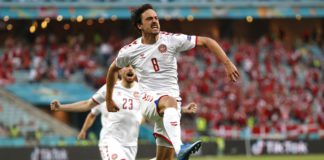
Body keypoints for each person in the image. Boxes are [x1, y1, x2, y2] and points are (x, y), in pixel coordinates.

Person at [105, 4, 240, 160]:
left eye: (156, 18)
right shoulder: (130, 50)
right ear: (139, 25)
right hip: (149, 100)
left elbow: (207, 41)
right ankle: (180, 147)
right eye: (149, 19)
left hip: (171, 108)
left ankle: (177, 148)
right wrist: (109, 99)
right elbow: (112, 70)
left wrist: (227, 63)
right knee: (169, 101)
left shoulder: (171, 40)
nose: (155, 21)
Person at [50, 65, 198, 160]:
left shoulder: (142, 90)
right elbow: (88, 105)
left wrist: (183, 109)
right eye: (125, 66)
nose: (129, 68)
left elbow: (158, 108)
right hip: (111, 141)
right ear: (119, 71)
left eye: (132, 66)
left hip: (131, 144)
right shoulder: (110, 88)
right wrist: (61, 107)